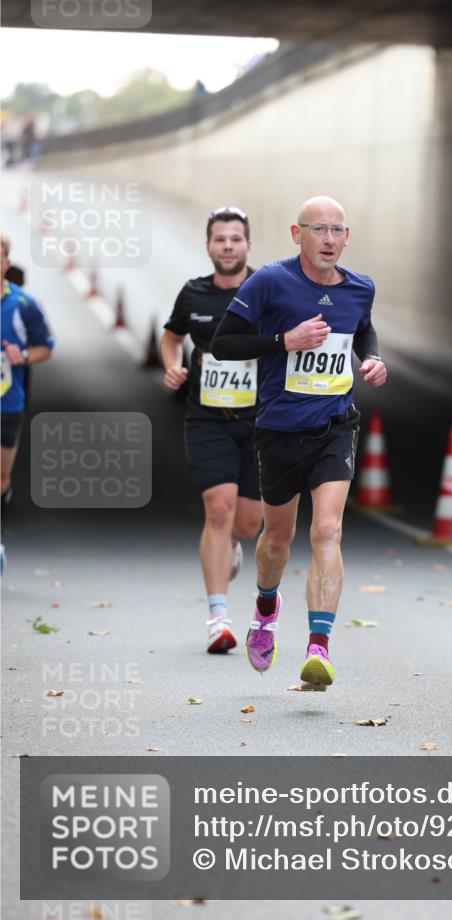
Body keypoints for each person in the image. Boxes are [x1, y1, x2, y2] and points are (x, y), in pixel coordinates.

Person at [210, 195, 387, 688]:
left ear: (347, 237)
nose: (329, 240)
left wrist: (370, 359)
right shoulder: (270, 282)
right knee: (276, 540)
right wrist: (283, 342)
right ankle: (266, 607)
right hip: (279, 430)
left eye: (338, 231)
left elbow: (363, 330)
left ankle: (319, 649)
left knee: (327, 532)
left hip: (335, 426)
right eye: (319, 230)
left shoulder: (360, 288)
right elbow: (223, 344)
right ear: (296, 234)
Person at [161, 207, 262, 654]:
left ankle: (234, 547)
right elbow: (171, 335)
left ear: (247, 245)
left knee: (247, 521)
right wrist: (172, 366)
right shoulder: (193, 293)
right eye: (220, 239)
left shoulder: (267, 290)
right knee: (218, 511)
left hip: (260, 422)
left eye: (235, 239)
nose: (227, 246)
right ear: (208, 246)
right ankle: (218, 616)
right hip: (206, 417)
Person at [1, 235, 54, 506]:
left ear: (5, 263)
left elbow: (45, 347)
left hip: (8, 403)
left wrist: (21, 355)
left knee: (1, 478)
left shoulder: (24, 305)